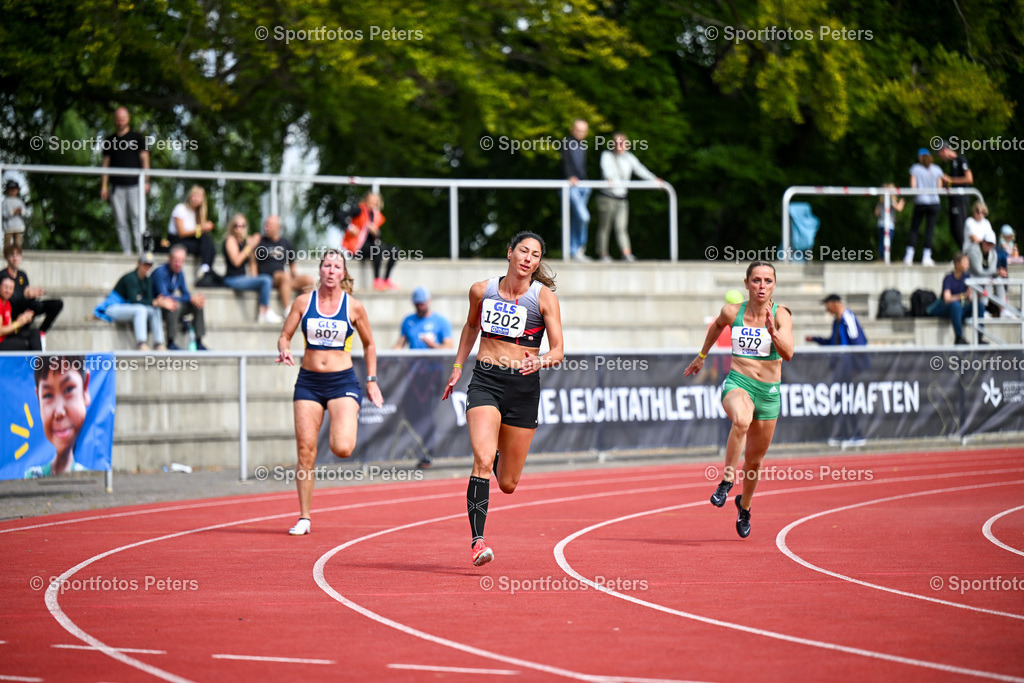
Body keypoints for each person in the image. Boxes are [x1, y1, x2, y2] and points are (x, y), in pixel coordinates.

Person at [442, 231, 564, 566]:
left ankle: (494, 451)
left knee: (508, 482)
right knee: (481, 459)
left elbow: (558, 351)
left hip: (524, 388)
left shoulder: (543, 298)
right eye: (523, 251)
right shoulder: (482, 290)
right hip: (486, 380)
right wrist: (457, 366)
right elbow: (470, 328)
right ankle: (478, 541)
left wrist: (538, 360)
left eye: (535, 255)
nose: (528, 258)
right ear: (510, 253)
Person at [276, 249, 384, 536]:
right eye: (327, 265)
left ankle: (350, 413)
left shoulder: (354, 307)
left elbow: (369, 344)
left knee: (342, 448)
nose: (332, 270)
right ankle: (304, 517)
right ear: (320, 270)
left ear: (343, 274)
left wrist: (371, 380)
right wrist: (284, 349)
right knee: (305, 452)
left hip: (342, 382)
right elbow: (285, 336)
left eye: (337, 266)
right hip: (308, 382)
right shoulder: (303, 302)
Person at [684, 261, 795, 538]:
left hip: (768, 392)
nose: (761, 286)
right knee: (741, 419)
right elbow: (716, 327)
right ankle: (726, 480)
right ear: (746, 283)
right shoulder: (732, 312)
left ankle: (744, 506)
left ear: (774, 286)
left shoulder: (782, 315)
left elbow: (789, 353)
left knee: (755, 462)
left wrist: (772, 331)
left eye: (767, 281)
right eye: (756, 280)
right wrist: (701, 355)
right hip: (739, 381)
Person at [805, 293, 868, 447]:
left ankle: (857, 435)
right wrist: (816, 339)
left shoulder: (848, 319)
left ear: (834, 303)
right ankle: (846, 434)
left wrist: (856, 367)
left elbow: (859, 343)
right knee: (842, 402)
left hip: (850, 369)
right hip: (840, 368)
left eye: (827, 304)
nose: (826, 309)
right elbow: (833, 343)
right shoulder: (837, 322)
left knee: (849, 402)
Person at [596, 133, 661, 262]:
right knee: (605, 227)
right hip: (607, 197)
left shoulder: (629, 158)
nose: (620, 146)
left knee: (622, 227)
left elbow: (640, 169)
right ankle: (603, 254)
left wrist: (654, 179)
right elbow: (606, 170)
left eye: (622, 143)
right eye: (617, 143)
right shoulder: (607, 155)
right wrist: (609, 178)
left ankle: (626, 253)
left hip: (622, 198)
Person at [25, 356, 91, 478]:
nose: (59, 412)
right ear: (38, 399)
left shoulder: (88, 474)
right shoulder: (31, 475)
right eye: (48, 395)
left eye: (68, 389)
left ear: (85, 388)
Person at [100, 107, 150, 255]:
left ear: (128, 119)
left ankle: (141, 251)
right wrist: (104, 185)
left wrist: (146, 181)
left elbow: (145, 159)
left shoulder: (138, 138)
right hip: (116, 187)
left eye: (123, 118)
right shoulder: (109, 140)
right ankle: (126, 253)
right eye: (118, 119)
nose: (120, 122)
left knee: (137, 218)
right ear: (115, 120)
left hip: (135, 185)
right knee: (121, 222)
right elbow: (105, 165)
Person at [93, 252, 167, 350]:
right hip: (112, 308)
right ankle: (141, 343)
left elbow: (148, 299)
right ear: (139, 263)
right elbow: (134, 300)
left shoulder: (148, 280)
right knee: (141, 309)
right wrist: (154, 302)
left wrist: (156, 302)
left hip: (128, 308)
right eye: (145, 264)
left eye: (149, 265)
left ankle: (158, 343)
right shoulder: (130, 278)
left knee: (155, 310)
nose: (147, 268)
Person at [222, 213, 281, 324]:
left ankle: (264, 312)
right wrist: (249, 246)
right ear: (232, 227)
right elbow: (236, 261)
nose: (240, 229)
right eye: (237, 226)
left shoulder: (243, 242)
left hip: (242, 277)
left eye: (243, 226)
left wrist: (251, 247)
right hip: (232, 279)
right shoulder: (230, 240)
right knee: (266, 279)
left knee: (263, 280)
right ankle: (264, 312)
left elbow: (252, 263)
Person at [1, 246, 63, 348]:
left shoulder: (22, 275)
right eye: (12, 255)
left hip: (23, 309)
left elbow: (27, 295)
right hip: (13, 312)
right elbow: (7, 298)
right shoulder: (3, 276)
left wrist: (33, 294)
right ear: (6, 257)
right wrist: (18, 323)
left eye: (18, 255)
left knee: (54, 304)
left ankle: (41, 333)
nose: (15, 258)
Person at [151, 244, 208, 350]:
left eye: (181, 261)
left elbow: (185, 293)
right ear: (169, 259)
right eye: (176, 260)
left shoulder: (180, 273)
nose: (178, 264)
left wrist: (194, 299)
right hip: (157, 307)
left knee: (198, 304)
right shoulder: (160, 273)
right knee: (173, 304)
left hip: (171, 305)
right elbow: (164, 296)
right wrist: (189, 298)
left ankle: (198, 341)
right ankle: (171, 342)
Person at [342, 192, 401, 290]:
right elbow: (340, 215)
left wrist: (376, 232)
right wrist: (351, 227)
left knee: (395, 250)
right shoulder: (359, 210)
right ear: (366, 201)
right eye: (370, 201)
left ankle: (386, 280)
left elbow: (377, 237)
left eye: (375, 202)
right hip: (356, 248)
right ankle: (377, 280)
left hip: (370, 247)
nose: (372, 204)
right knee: (377, 250)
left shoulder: (377, 216)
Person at [256, 215, 314, 310]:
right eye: (265, 225)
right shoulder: (261, 243)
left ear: (277, 227)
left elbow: (292, 262)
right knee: (284, 276)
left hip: (284, 278)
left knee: (308, 280)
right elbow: (253, 262)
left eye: (269, 225)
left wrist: (293, 273)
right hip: (270, 279)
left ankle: (306, 309)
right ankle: (288, 310)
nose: (266, 228)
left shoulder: (286, 243)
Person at [167, 185, 217, 286]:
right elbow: (181, 233)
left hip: (189, 241)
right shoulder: (180, 209)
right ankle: (207, 271)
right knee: (207, 245)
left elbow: (197, 234)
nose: (196, 199)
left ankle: (206, 269)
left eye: (199, 196)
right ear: (190, 196)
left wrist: (203, 229)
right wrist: (200, 228)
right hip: (177, 241)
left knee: (209, 244)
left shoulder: (197, 214)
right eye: (194, 195)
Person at [904, 148, 944, 266]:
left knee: (914, 228)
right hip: (933, 202)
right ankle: (926, 256)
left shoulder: (915, 169)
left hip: (920, 202)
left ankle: (909, 256)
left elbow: (913, 187)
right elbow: (939, 188)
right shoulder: (937, 170)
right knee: (929, 229)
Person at [926, 252, 972, 344]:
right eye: (965, 262)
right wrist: (964, 295)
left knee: (979, 306)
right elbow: (947, 299)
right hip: (946, 307)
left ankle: (979, 337)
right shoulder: (949, 278)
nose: (968, 264)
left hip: (961, 306)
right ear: (958, 264)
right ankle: (958, 337)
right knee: (956, 306)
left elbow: (970, 298)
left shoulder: (967, 278)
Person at [561, 119, 591, 261]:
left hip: (583, 186)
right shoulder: (567, 143)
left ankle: (574, 251)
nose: (580, 133)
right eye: (578, 130)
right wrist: (569, 176)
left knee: (577, 219)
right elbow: (565, 162)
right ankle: (577, 249)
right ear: (572, 129)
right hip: (571, 186)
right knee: (584, 216)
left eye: (583, 130)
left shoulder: (582, 145)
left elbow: (582, 167)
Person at [937, 139, 973, 250]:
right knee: (954, 229)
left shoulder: (961, 159)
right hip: (953, 200)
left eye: (939, 153)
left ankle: (967, 255)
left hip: (960, 200)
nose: (939, 156)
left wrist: (951, 180)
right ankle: (964, 254)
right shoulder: (952, 163)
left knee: (959, 228)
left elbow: (969, 178)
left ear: (944, 150)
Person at [966, 228, 1001, 319]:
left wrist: (995, 272)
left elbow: (991, 270)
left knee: (998, 280)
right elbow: (978, 271)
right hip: (972, 279)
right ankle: (983, 309)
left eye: (991, 244)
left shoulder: (993, 253)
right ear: (983, 241)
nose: (989, 246)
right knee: (988, 281)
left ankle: (1003, 309)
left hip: (984, 280)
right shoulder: (973, 251)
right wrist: (995, 272)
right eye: (987, 243)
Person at [0, 276, 40, 350]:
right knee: (23, 344)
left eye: (11, 288)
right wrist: (18, 323)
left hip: (5, 338)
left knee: (34, 333)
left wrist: (22, 320)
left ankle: (39, 360)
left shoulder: (7, 304)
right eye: (5, 287)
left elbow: (9, 329)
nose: (8, 291)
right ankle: (35, 361)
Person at [874, 183, 905, 259]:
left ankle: (881, 257)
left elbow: (876, 213)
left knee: (882, 242)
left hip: (880, 223)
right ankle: (884, 258)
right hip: (889, 224)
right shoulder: (891, 200)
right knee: (887, 242)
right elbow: (899, 208)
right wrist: (902, 202)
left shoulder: (880, 201)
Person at [2, 179, 27, 252]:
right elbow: (3, 214)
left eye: (14, 189)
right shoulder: (5, 202)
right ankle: (6, 256)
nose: (13, 191)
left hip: (18, 226)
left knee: (17, 243)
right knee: (7, 243)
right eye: (11, 189)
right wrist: (13, 212)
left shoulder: (19, 201)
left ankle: (17, 255)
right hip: (8, 227)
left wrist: (20, 211)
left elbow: (25, 212)